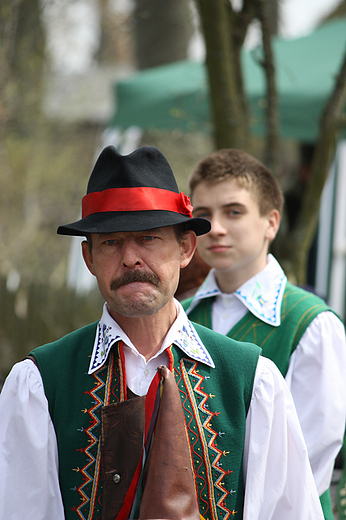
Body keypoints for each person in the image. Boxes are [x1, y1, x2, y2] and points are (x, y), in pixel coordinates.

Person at [0, 145, 324, 520]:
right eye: (111, 242)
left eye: (149, 238)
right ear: (89, 259)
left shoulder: (252, 379)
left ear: (186, 248)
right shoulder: (41, 382)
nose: (130, 258)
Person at [183, 147, 346, 520]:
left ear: (271, 222)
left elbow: (308, 463)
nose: (217, 227)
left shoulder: (311, 324)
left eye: (234, 211)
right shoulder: (182, 318)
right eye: (203, 214)